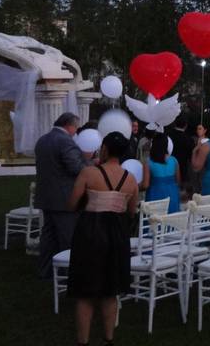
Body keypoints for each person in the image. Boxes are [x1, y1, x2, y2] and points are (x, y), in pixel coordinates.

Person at [67, 132, 139, 346]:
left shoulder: (89, 173)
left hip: (91, 232)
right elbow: (132, 211)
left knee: (85, 292)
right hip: (117, 233)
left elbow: (71, 204)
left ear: (105, 149)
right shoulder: (131, 178)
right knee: (111, 290)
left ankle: (83, 341)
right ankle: (109, 338)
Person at [34, 112, 89, 279]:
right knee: (68, 237)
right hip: (64, 198)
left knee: (48, 237)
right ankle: (69, 274)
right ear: (69, 125)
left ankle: (46, 271)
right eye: (76, 128)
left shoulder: (42, 140)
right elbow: (77, 169)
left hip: (46, 196)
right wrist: (87, 160)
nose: (76, 132)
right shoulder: (65, 142)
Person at [141, 133, 180, 212]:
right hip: (172, 197)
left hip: (155, 198)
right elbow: (178, 181)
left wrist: (136, 186)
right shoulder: (174, 160)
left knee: (154, 222)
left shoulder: (148, 162)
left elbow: (145, 185)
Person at [168, 113, 194, 194]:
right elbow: (191, 157)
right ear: (185, 125)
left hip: (168, 169)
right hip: (183, 169)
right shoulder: (189, 139)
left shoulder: (168, 136)